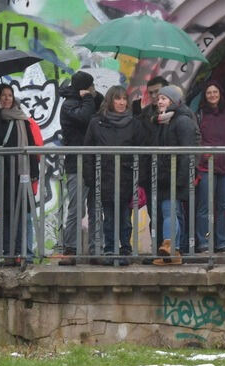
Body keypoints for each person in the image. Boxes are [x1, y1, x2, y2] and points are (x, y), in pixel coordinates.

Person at [82, 86, 147, 265]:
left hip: (127, 178)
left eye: (124, 99)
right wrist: (90, 177)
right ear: (110, 101)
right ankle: (110, 249)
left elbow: (142, 152)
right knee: (109, 218)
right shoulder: (97, 123)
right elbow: (88, 152)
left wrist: (139, 179)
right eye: (117, 99)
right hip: (104, 178)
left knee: (125, 218)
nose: (121, 103)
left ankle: (125, 248)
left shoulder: (135, 124)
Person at [0, 84, 41, 260]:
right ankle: (9, 253)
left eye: (10, 95)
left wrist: (33, 172)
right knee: (6, 213)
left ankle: (24, 253)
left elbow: (30, 145)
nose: (7, 98)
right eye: (3, 95)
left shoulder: (21, 118)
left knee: (24, 214)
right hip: (2, 175)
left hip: (21, 174)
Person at [146, 84, 198, 264]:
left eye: (164, 98)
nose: (159, 101)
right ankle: (174, 254)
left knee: (170, 211)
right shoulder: (163, 121)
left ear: (173, 101)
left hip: (175, 175)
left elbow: (187, 151)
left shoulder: (182, 121)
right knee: (171, 212)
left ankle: (169, 244)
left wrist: (181, 178)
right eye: (159, 98)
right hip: (164, 175)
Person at [57, 70, 103, 257]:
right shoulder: (69, 105)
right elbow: (85, 118)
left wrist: (92, 97)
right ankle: (71, 247)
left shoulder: (86, 101)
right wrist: (88, 99)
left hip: (92, 161)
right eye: (91, 86)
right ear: (84, 89)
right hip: (76, 163)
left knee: (95, 207)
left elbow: (100, 105)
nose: (94, 89)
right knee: (77, 207)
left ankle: (96, 248)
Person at [195, 81, 225, 253]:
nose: (212, 95)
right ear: (204, 96)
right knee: (204, 206)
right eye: (209, 93)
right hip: (206, 167)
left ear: (220, 94)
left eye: (215, 92)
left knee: (224, 207)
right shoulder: (199, 115)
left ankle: (222, 242)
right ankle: (204, 241)